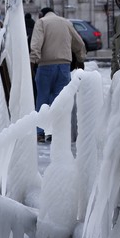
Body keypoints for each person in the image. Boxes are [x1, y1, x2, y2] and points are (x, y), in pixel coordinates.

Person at [29, 7, 86, 142]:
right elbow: (79, 43)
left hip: (45, 66)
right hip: (64, 67)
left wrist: (33, 61)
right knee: (59, 101)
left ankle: (40, 132)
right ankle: (57, 132)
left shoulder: (42, 22)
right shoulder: (66, 23)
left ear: (41, 14)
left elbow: (36, 44)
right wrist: (80, 59)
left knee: (42, 99)